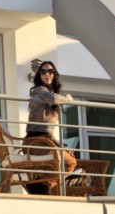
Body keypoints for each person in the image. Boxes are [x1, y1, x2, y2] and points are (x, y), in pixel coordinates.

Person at [24, 60, 77, 195]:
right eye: (43, 72)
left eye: (50, 71)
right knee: (67, 162)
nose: (47, 74)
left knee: (70, 162)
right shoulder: (38, 91)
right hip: (34, 142)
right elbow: (53, 98)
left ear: (54, 74)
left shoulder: (50, 95)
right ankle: (40, 186)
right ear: (39, 75)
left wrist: (61, 145)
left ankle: (40, 185)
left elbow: (48, 132)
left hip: (45, 140)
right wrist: (67, 99)